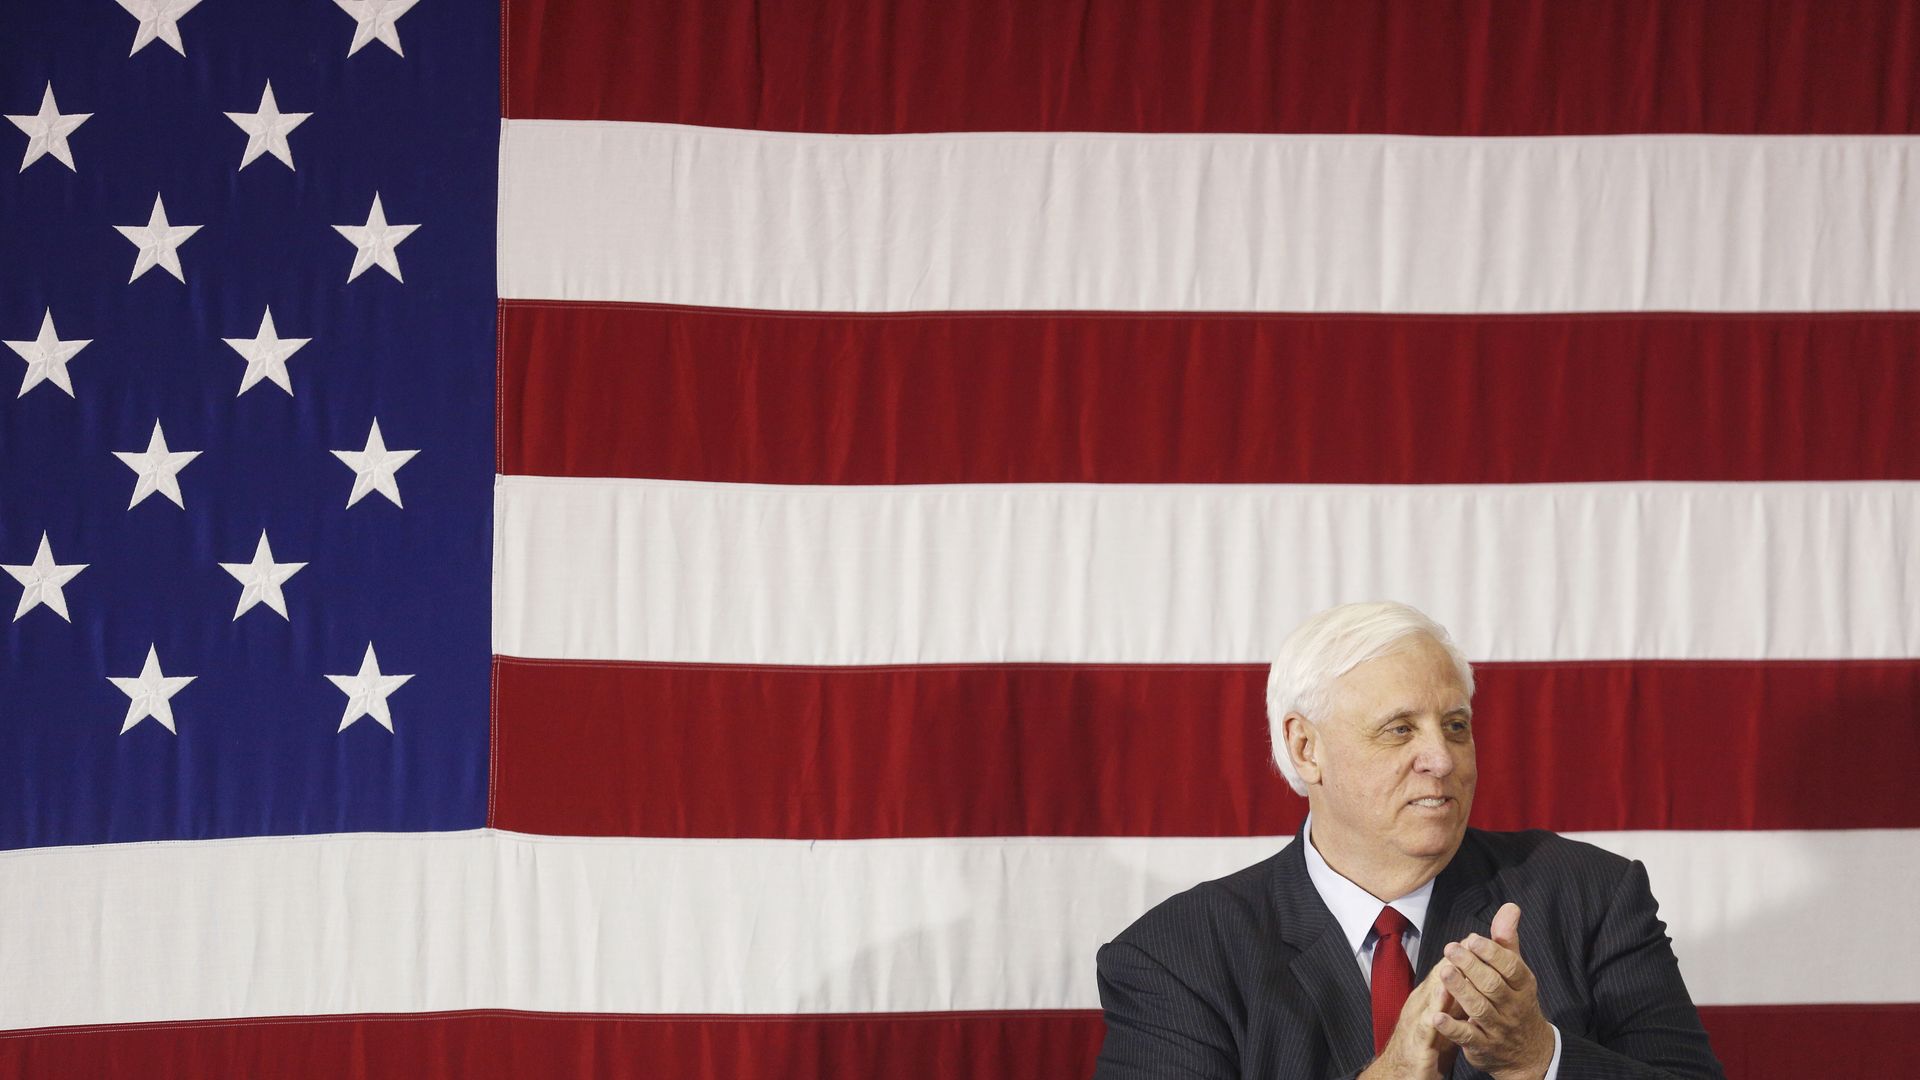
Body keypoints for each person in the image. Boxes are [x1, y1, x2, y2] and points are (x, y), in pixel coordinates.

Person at [1091, 601, 1724, 1079]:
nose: (1442, 759)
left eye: (1455, 726)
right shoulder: (1174, 957)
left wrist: (1539, 1056)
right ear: (1305, 748)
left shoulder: (1590, 896)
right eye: (1399, 730)